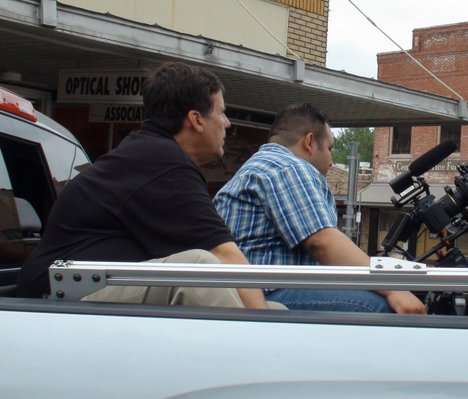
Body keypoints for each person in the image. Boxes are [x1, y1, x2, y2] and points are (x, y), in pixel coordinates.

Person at [16, 62, 268, 309]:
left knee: (275, 307)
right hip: (54, 301)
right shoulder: (161, 162)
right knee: (199, 268)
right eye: (221, 112)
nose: (227, 123)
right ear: (196, 119)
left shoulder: (149, 155)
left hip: (83, 291)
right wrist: (267, 331)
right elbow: (225, 257)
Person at [214, 103, 426, 314]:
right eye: (330, 148)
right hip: (268, 290)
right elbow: (322, 243)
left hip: (252, 289)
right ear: (309, 142)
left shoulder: (260, 166)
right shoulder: (288, 167)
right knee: (380, 307)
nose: (332, 161)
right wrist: (392, 289)